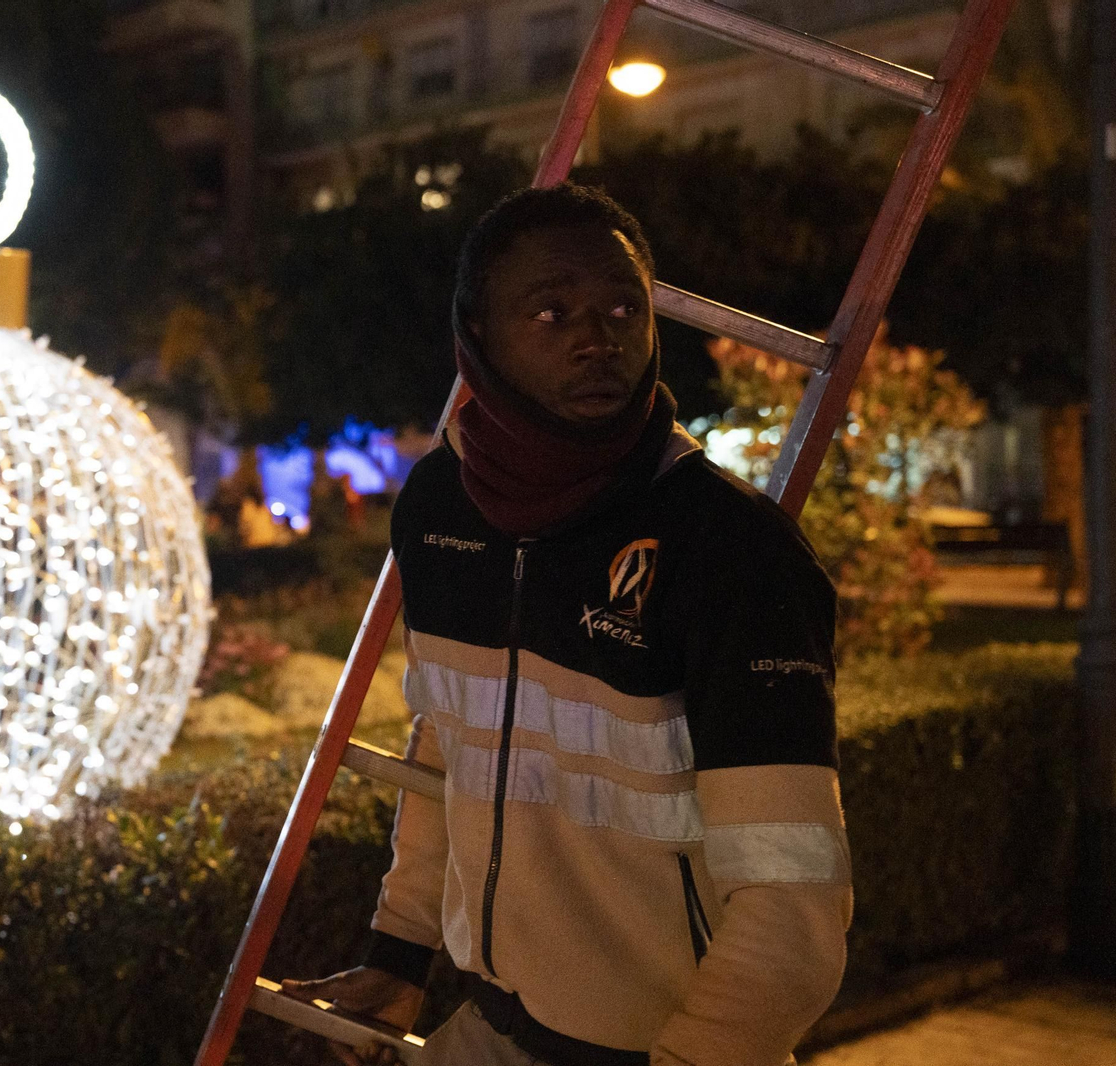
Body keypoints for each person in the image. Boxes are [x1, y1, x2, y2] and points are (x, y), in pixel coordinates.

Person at [282, 182, 852, 1066]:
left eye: (625, 307)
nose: (600, 338)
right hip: (492, 1028)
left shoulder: (733, 549)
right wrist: (400, 954)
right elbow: (450, 747)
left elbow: (792, 905)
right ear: (478, 334)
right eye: (550, 311)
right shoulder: (441, 505)